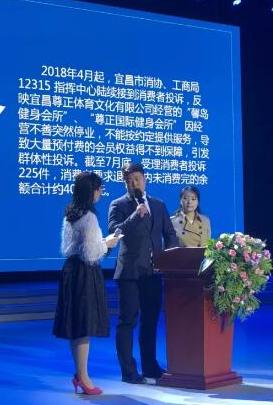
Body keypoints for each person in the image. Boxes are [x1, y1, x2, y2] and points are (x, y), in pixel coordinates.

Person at [108, 162, 179, 384]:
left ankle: (150, 366)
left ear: (145, 179)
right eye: (129, 181)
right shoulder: (118, 204)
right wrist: (135, 216)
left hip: (153, 273)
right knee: (127, 321)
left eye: (137, 180)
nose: (133, 184)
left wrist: (168, 258)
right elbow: (114, 233)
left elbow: (170, 234)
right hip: (129, 272)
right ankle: (128, 371)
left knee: (150, 321)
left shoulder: (158, 204)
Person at [53, 171, 120, 395]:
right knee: (83, 326)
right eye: (99, 188)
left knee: (76, 326)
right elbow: (91, 253)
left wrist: (100, 242)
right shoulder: (89, 217)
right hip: (84, 273)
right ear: (92, 191)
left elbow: (68, 247)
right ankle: (83, 377)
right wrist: (108, 244)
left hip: (71, 271)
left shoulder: (70, 214)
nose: (100, 192)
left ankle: (80, 374)